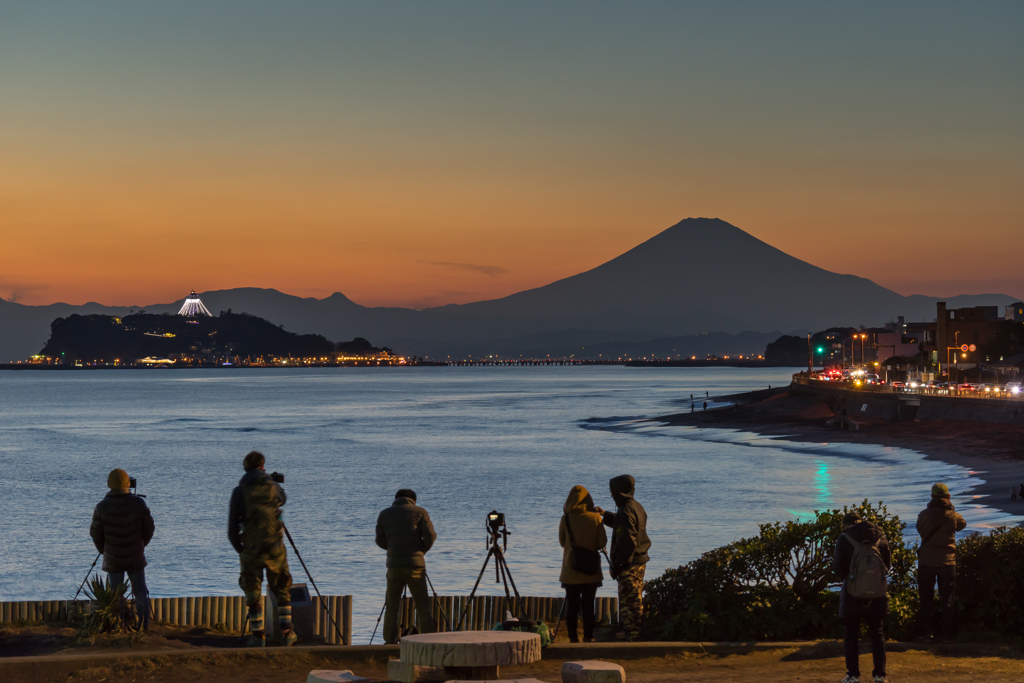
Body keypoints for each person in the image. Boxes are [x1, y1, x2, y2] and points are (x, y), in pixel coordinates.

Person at [228, 451, 296, 647]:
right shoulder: (273, 487)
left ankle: (258, 636)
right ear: (262, 466)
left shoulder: (239, 491)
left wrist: (239, 548)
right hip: (274, 546)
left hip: (250, 547)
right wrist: (274, 483)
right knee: (282, 586)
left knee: (252, 590)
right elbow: (283, 499)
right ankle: (286, 633)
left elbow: (232, 526)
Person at [90, 468, 155, 630]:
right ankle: (143, 624)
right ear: (127, 484)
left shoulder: (101, 506)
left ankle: (120, 624)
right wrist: (141, 545)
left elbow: (95, 533)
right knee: (140, 591)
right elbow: (149, 528)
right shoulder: (139, 504)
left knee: (116, 593)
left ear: (109, 484)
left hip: (113, 557)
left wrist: (103, 550)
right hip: (135, 555)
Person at [833, 511, 891, 683]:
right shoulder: (881, 538)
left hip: (852, 594)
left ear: (846, 525)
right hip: (877, 595)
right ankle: (879, 675)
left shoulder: (844, 538)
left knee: (851, 634)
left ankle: (853, 675)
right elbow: (887, 566)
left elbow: (838, 569)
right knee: (877, 634)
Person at [375, 488, 437, 644]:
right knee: (423, 607)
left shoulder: (384, 514)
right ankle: (429, 641)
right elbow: (431, 535)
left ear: (396, 499)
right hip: (415, 566)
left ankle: (390, 642)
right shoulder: (420, 512)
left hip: (394, 566)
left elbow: (379, 540)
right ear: (413, 500)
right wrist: (421, 550)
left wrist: (392, 550)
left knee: (391, 607)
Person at [595, 475, 651, 641]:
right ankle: (634, 633)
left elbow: (627, 539)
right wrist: (605, 514)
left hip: (630, 563)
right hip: (639, 560)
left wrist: (618, 564)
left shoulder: (625, 510)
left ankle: (634, 637)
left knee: (630, 603)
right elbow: (625, 525)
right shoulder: (635, 506)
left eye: (612, 492)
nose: (611, 495)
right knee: (634, 598)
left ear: (619, 492)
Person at [915, 482, 966, 642]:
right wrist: (951, 508)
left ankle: (926, 634)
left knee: (925, 600)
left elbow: (919, 528)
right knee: (948, 600)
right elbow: (962, 525)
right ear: (948, 497)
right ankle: (947, 635)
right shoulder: (953, 516)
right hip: (947, 562)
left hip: (926, 562)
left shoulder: (923, 515)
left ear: (932, 497)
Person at [558, 485, 607, 643]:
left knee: (571, 606)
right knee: (588, 606)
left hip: (571, 570)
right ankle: (588, 637)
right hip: (591, 570)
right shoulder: (595, 518)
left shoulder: (565, 519)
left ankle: (573, 638)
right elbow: (602, 542)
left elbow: (561, 542)